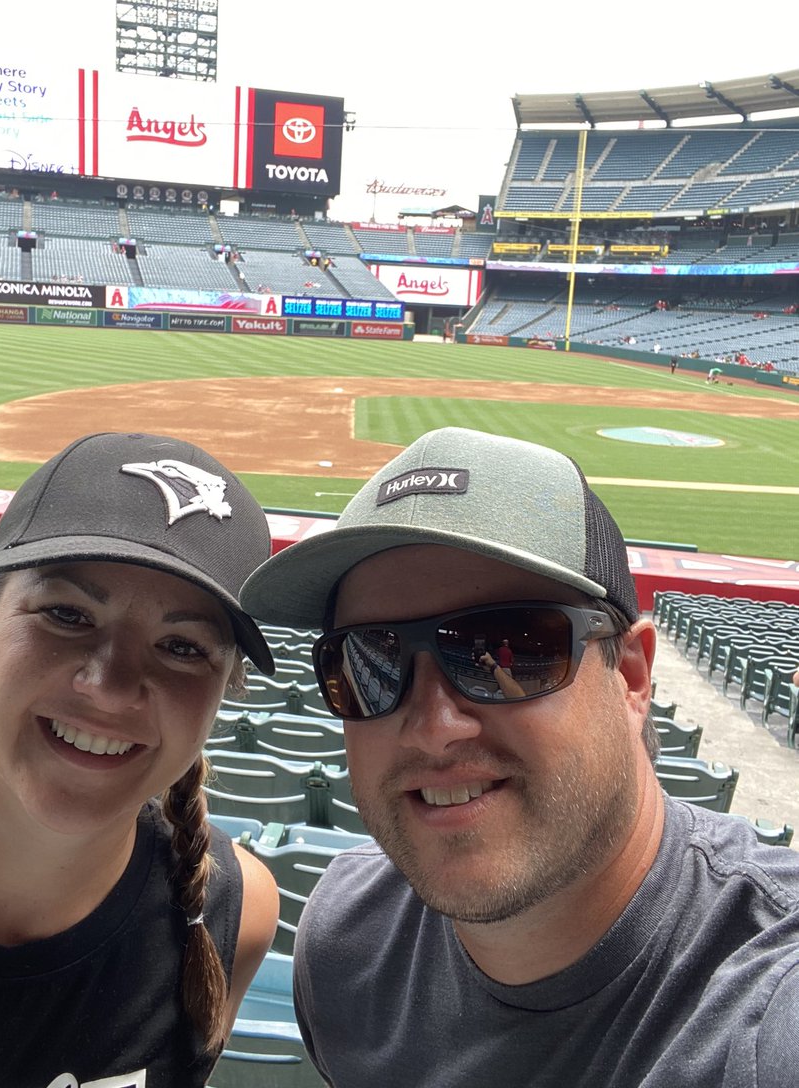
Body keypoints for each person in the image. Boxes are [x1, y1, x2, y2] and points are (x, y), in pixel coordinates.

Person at [240, 427, 799, 1088]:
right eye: (369, 663)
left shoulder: (765, 1012)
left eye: (509, 645)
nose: (432, 727)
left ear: (631, 677)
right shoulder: (343, 944)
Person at [0, 431, 280, 1086]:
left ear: (221, 693)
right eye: (67, 614)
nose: (108, 687)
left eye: (183, 647)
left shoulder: (233, 910)